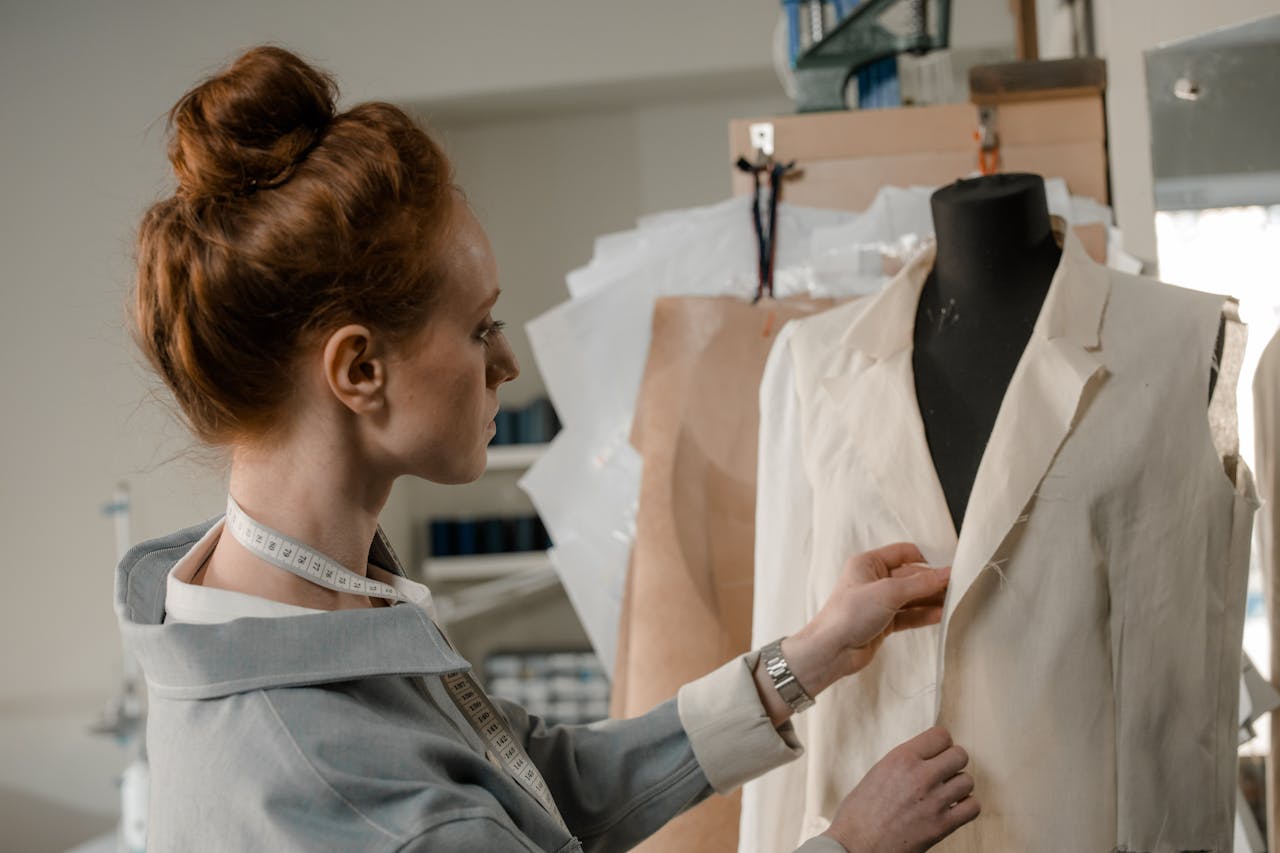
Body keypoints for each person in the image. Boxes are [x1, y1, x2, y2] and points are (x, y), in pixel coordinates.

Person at [118, 45, 979, 852]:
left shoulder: (260, 612)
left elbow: (535, 783)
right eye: (478, 325)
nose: (507, 361)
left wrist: (802, 660)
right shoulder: (352, 786)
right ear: (359, 368)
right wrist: (849, 842)